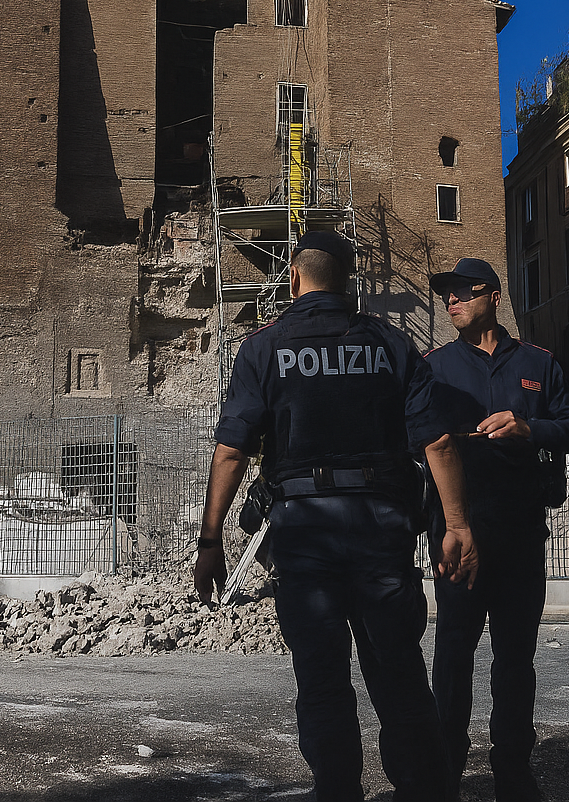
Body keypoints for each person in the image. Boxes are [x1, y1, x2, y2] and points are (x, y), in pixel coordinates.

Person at [193, 230, 479, 802]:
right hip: (381, 532)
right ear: (349, 279)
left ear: (295, 276)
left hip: (305, 537)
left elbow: (231, 451)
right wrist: (457, 526)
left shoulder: (263, 348)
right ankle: (425, 791)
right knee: (400, 676)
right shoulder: (394, 344)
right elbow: (439, 444)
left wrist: (210, 540)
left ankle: (337, 791)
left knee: (322, 683)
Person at [423, 258, 569, 802]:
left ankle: (513, 772)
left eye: (461, 293)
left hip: (521, 536)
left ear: (493, 296)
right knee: (452, 657)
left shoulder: (540, 363)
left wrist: (528, 428)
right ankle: (444, 772)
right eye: (445, 295)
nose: (451, 302)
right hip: (458, 535)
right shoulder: (433, 368)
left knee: (516, 659)